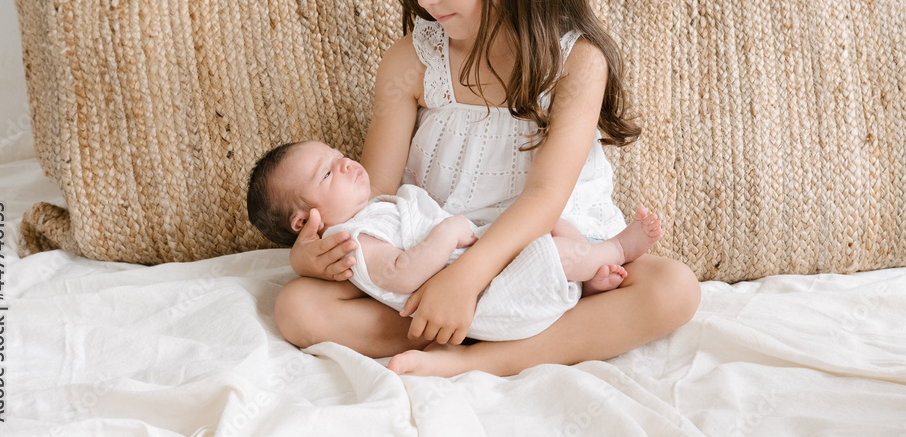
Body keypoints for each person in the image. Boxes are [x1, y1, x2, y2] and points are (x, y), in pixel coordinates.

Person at [272, 0, 701, 377]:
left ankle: (488, 356)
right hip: (433, 261)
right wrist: (313, 256)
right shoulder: (410, 62)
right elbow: (373, 198)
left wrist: (469, 278)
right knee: (297, 307)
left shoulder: (576, 62)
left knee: (673, 290)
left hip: (543, 261)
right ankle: (451, 325)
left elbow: (545, 197)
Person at [247, 139, 664, 340]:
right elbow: (398, 275)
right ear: (304, 221)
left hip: (486, 262)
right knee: (551, 250)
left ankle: (584, 281)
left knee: (556, 226)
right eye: (327, 173)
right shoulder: (351, 237)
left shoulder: (373, 210)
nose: (345, 165)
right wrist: (450, 231)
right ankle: (615, 249)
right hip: (484, 298)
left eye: (338, 157)